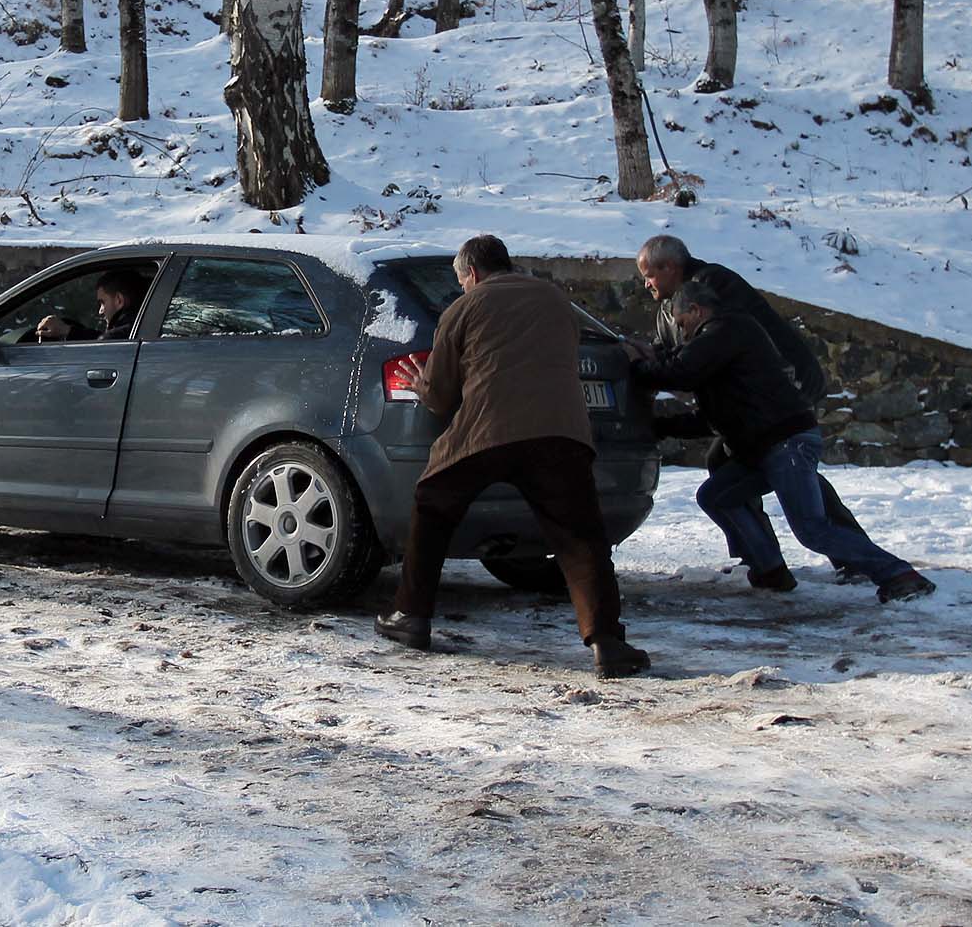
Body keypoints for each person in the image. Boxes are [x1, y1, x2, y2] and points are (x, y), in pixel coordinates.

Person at [375, 235, 650, 678]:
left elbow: (442, 398)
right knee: (581, 539)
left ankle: (411, 617)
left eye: (462, 280)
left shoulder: (462, 309)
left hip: (486, 432)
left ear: (473, 274)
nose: (464, 287)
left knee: (432, 507)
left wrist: (420, 382)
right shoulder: (557, 299)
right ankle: (608, 643)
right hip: (560, 433)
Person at [626, 278, 936, 603]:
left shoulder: (726, 330)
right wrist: (660, 426)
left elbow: (679, 372)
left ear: (696, 309)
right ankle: (770, 571)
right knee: (716, 495)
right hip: (766, 446)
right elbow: (713, 417)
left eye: (681, 322)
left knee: (811, 528)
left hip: (786, 442)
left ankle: (900, 575)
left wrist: (637, 365)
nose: (681, 331)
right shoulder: (720, 344)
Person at [635, 234, 869, 586]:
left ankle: (848, 556)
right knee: (741, 463)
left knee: (787, 464)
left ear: (669, 267)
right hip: (751, 400)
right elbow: (674, 350)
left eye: (648, 274)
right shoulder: (669, 309)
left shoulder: (711, 285)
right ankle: (760, 558)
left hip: (778, 388)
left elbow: (725, 344)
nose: (645, 283)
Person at [35, 268, 147, 342]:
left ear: (119, 300)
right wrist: (68, 330)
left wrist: (66, 330)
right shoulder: (143, 329)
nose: (100, 311)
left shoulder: (119, 338)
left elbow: (105, 343)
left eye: (102, 302)